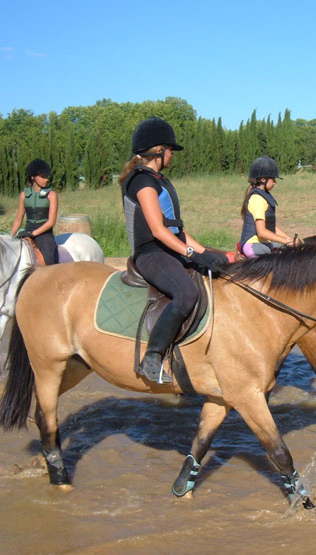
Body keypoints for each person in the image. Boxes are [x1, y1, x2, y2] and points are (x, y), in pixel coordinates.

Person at [120, 117, 228, 382]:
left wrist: (205, 253)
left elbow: (177, 230)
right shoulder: (142, 183)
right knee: (186, 293)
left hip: (169, 249)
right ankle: (152, 357)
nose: (172, 155)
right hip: (151, 254)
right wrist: (191, 255)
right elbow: (157, 231)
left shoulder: (159, 180)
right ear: (159, 151)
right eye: (170, 150)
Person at [239, 156, 300, 258]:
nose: (275, 182)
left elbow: (271, 228)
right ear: (263, 179)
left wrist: (290, 239)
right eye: (273, 179)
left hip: (261, 243)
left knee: (291, 251)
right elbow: (262, 232)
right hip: (253, 245)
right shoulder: (257, 199)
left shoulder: (263, 197)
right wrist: (286, 241)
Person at [11, 158, 59, 265]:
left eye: (47, 177)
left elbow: (51, 222)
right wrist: (10, 237)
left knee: (49, 257)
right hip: (27, 230)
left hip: (44, 234)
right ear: (33, 177)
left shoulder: (52, 195)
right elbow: (18, 220)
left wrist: (33, 234)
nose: (46, 179)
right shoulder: (24, 195)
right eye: (42, 177)